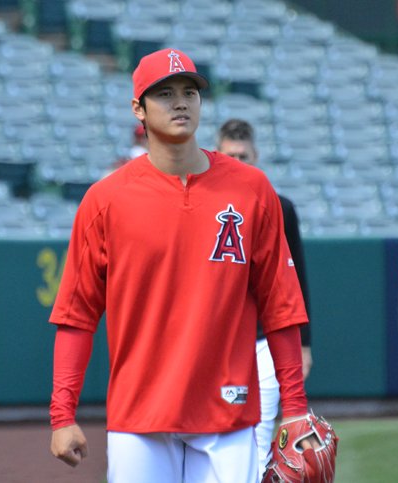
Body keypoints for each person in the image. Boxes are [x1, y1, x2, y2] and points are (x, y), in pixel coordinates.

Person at [48, 48, 314, 483]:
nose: (181, 102)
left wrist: (296, 409)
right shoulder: (105, 200)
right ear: (138, 108)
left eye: (190, 91)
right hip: (140, 415)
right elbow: (76, 315)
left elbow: (281, 305)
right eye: (165, 93)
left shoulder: (252, 189)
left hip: (228, 412)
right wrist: (62, 415)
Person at [216, 118, 313, 476]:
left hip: (266, 338)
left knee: (259, 433)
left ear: (255, 155)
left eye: (243, 155)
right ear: (217, 154)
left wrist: (303, 343)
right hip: (222, 340)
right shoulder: (207, 205)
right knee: (219, 435)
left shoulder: (279, 205)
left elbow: (296, 278)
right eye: (230, 155)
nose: (237, 161)